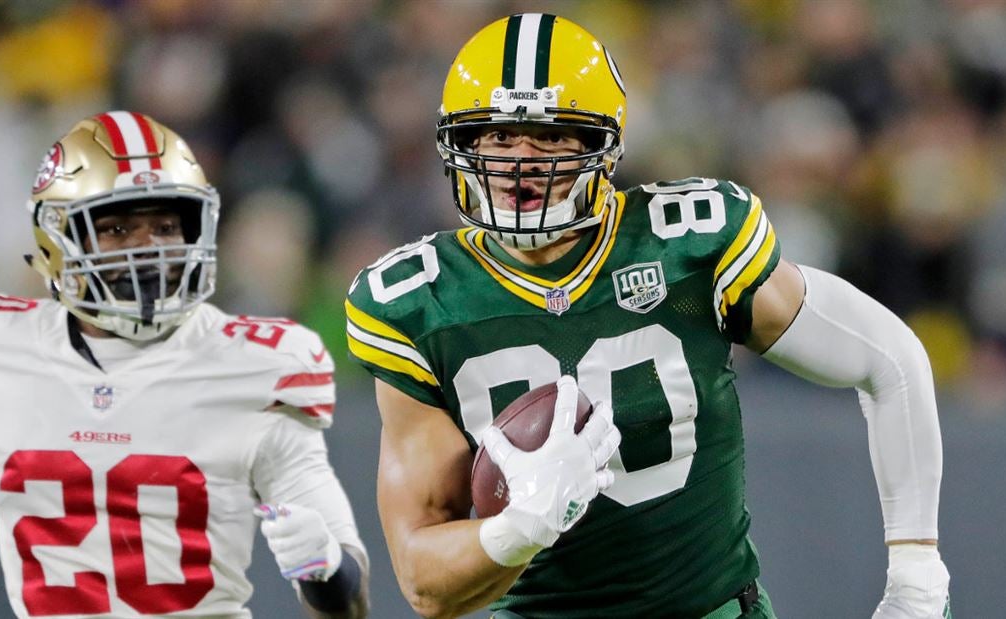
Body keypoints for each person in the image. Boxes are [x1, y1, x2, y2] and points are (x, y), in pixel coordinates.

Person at [345, 13, 950, 619]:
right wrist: (522, 527)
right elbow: (424, 582)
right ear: (463, 143)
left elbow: (889, 358)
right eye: (498, 137)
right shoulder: (417, 305)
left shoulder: (688, 244)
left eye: (550, 135)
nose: (521, 162)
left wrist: (917, 572)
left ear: (600, 147)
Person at [0, 112, 369, 618]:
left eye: (165, 226)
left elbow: (351, 604)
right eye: (116, 228)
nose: (148, 249)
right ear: (57, 239)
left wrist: (328, 573)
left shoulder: (257, 367)